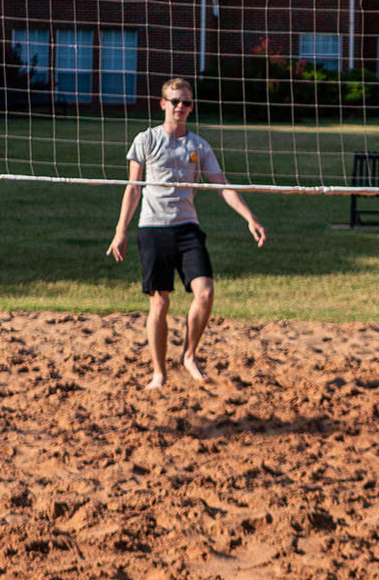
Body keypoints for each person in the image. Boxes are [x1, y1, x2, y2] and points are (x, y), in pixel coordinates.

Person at [108, 76, 267, 388]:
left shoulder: (198, 145)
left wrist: (250, 217)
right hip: (153, 229)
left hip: (187, 228)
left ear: (191, 107)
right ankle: (159, 373)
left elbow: (221, 185)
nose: (181, 106)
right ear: (163, 104)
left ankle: (189, 355)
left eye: (187, 102)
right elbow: (133, 189)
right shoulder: (146, 140)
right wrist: (120, 231)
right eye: (175, 101)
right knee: (160, 303)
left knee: (205, 293)